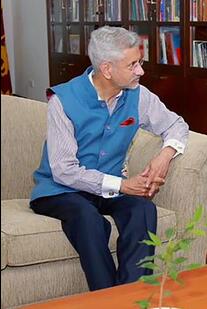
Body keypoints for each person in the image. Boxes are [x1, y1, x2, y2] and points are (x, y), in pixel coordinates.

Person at [30, 26, 189, 291]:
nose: (140, 71)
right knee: (88, 218)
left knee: (143, 209)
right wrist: (123, 185)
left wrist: (165, 155)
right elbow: (64, 170)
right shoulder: (63, 100)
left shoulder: (139, 95)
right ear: (107, 69)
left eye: (139, 62)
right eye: (133, 64)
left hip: (108, 190)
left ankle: (131, 297)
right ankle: (106, 300)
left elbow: (177, 125)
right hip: (60, 190)